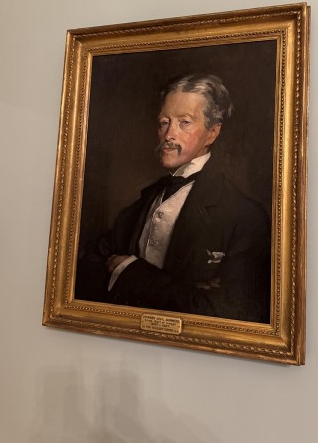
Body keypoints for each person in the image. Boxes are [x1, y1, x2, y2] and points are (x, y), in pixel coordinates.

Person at [75, 74, 271, 323]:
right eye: (164, 122)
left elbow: (234, 313)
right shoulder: (145, 201)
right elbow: (90, 264)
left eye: (184, 123)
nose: (169, 134)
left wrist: (133, 273)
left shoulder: (245, 217)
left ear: (212, 133)